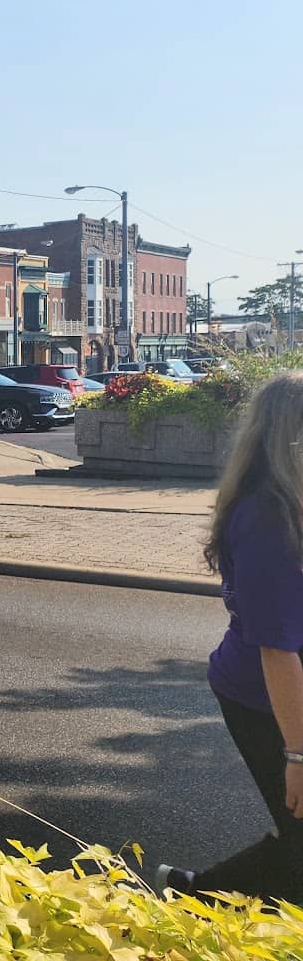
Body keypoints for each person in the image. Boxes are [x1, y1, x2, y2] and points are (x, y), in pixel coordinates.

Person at [156, 372, 303, 903]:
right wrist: (298, 756)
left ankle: (194, 892)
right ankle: (197, 896)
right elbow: (277, 647)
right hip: (265, 700)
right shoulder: (269, 517)